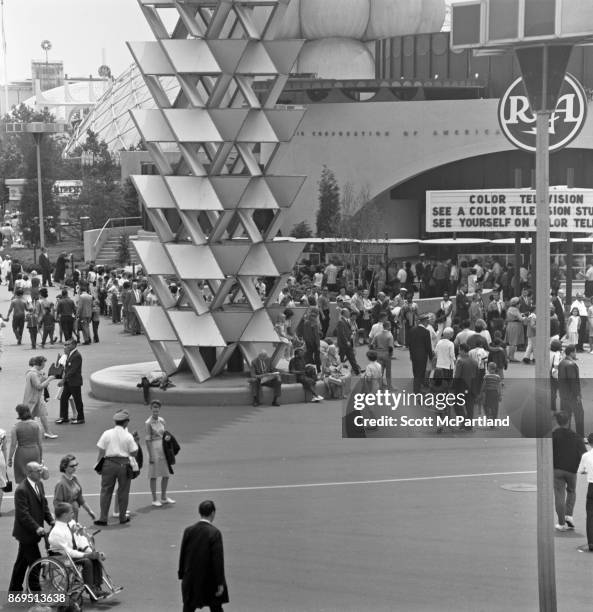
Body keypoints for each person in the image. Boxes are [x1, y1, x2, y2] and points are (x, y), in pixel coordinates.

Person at [8, 461, 55, 592]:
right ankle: (36, 592)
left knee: (21, 563)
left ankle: (14, 589)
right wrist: (37, 527)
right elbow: (23, 515)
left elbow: (44, 505)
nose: (41, 472)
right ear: (29, 473)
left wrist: (51, 520)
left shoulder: (39, 484)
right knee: (36, 563)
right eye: (38, 471)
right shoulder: (21, 490)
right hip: (26, 534)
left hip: (33, 533)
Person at [178, 500, 229, 612]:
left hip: (191, 578)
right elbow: (217, 560)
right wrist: (220, 582)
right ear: (212, 513)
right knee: (216, 607)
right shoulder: (215, 533)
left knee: (188, 607)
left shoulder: (189, 530)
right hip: (209, 579)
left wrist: (182, 574)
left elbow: (183, 554)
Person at [48, 502, 106, 598]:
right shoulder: (57, 531)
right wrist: (86, 555)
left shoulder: (70, 524)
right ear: (64, 515)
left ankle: (97, 587)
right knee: (87, 561)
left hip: (71, 555)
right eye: (71, 513)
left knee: (94, 558)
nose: (73, 514)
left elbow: (79, 541)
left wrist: (92, 553)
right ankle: (91, 589)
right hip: (62, 558)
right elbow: (68, 552)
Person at [94, 410, 138, 526]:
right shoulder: (128, 436)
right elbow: (134, 452)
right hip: (124, 464)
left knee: (105, 491)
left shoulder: (107, 433)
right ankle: (122, 517)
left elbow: (101, 450)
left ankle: (103, 518)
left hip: (108, 463)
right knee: (123, 492)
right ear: (126, 423)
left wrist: (99, 464)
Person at [553, 412, 586, 532]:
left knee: (559, 495)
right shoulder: (576, 437)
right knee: (571, 491)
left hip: (557, 469)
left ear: (557, 422)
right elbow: (583, 454)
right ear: (568, 421)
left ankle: (561, 523)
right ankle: (569, 515)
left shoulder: (553, 435)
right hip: (572, 470)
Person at [145, 400, 176, 507]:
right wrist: (151, 455)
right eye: (154, 407)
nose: (155, 409)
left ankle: (163, 497)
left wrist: (166, 438)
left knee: (166, 474)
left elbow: (164, 434)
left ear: (159, 409)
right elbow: (147, 440)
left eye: (157, 407)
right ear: (151, 408)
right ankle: (154, 499)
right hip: (154, 449)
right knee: (153, 475)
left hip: (163, 449)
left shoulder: (162, 420)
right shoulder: (148, 423)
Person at [53, 454, 96, 523]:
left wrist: (89, 511)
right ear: (65, 467)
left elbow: (80, 498)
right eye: (72, 466)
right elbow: (58, 504)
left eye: (76, 465)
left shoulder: (75, 479)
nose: (75, 467)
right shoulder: (61, 484)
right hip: (66, 519)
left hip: (73, 516)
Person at [23, 356, 58, 439]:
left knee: (43, 415)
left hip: (37, 398)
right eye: (44, 363)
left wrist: (45, 379)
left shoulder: (36, 372)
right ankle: (28, 434)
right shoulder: (33, 374)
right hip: (32, 399)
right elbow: (38, 386)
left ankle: (48, 432)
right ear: (40, 363)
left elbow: (41, 382)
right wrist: (49, 379)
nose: (44, 365)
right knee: (29, 418)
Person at [8, 404, 43, 484]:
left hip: (22, 453)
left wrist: (10, 458)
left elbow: (13, 444)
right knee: (34, 476)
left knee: (22, 478)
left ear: (19, 414)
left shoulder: (16, 427)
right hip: (35, 451)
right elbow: (40, 443)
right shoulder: (36, 425)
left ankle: (24, 494)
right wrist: (40, 457)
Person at [558, 345, 584, 439]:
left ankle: (565, 436)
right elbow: (573, 382)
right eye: (575, 351)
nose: (575, 353)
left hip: (563, 395)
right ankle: (580, 436)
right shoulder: (571, 365)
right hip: (572, 396)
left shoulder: (562, 363)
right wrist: (577, 395)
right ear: (572, 352)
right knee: (579, 415)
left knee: (566, 416)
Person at [56, 339, 85, 425]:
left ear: (74, 345)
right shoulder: (70, 354)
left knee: (77, 400)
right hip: (69, 382)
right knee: (63, 398)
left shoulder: (76, 355)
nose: (66, 346)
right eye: (65, 344)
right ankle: (64, 417)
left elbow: (72, 370)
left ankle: (80, 418)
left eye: (68, 344)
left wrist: (63, 380)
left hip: (74, 382)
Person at [453, 343, 480, 428]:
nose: (458, 352)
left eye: (459, 350)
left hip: (462, 386)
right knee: (470, 406)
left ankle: (464, 420)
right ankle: (469, 424)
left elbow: (457, 376)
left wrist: (452, 386)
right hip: (472, 386)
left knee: (457, 404)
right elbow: (478, 375)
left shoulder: (460, 361)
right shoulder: (475, 362)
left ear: (463, 351)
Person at [407, 314, 434, 393]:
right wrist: (431, 357)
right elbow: (428, 346)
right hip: (422, 356)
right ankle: (417, 390)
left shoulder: (412, 330)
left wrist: (411, 354)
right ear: (425, 322)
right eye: (427, 321)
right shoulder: (426, 332)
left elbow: (409, 343)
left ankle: (418, 388)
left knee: (415, 371)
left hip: (414, 355)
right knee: (420, 373)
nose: (428, 323)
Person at [577, 433, 593, 552]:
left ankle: (591, 542)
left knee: (590, 515)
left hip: (591, 486)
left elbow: (581, 470)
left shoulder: (586, 456)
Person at [335, 308, 361, 375]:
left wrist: (351, 335)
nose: (349, 313)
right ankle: (338, 372)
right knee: (341, 360)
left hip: (348, 343)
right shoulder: (341, 321)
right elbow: (341, 333)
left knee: (352, 358)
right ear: (344, 313)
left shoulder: (346, 320)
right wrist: (346, 341)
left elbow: (347, 331)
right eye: (348, 312)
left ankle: (357, 372)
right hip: (343, 344)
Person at [371, 321, 395, 389]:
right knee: (388, 371)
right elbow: (390, 347)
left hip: (378, 353)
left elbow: (372, 345)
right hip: (386, 353)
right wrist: (390, 355)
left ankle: (380, 386)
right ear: (388, 326)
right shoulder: (390, 335)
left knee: (380, 371)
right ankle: (389, 386)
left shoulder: (377, 334)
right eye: (390, 326)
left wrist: (375, 351)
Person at [0, 427, 7, 515]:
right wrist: (4, 463)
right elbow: (4, 449)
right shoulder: (2, 432)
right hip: (0, 458)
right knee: (0, 484)